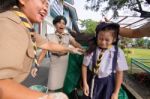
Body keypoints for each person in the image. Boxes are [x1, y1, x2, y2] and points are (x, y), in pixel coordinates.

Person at [0, 0, 81, 99]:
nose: (46, 8)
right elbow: (2, 83)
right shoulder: (10, 24)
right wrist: (46, 97)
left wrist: (70, 49)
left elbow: (48, 45)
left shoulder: (26, 27)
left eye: (47, 4)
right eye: (42, 1)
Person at [31, 15, 83, 91]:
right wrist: (37, 65)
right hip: (54, 62)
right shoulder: (49, 36)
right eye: (59, 23)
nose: (62, 25)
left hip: (65, 62)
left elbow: (75, 43)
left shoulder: (68, 36)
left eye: (64, 23)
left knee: (64, 85)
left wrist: (82, 48)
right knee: (52, 86)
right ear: (55, 24)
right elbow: (43, 52)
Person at [82, 22, 128, 99]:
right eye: (100, 39)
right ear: (97, 37)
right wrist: (85, 83)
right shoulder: (91, 49)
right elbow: (84, 66)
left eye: (107, 40)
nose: (103, 42)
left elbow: (120, 73)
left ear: (114, 39)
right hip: (91, 80)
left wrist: (116, 92)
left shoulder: (118, 52)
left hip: (108, 83)